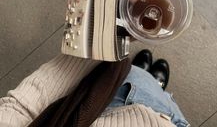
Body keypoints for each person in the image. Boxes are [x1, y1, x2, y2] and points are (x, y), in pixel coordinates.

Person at [0, 49, 190, 127]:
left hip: (101, 98)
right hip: (171, 121)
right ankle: (153, 85)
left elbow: (19, 108)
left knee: (136, 78)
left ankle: (142, 76)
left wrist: (101, 44)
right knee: (155, 92)